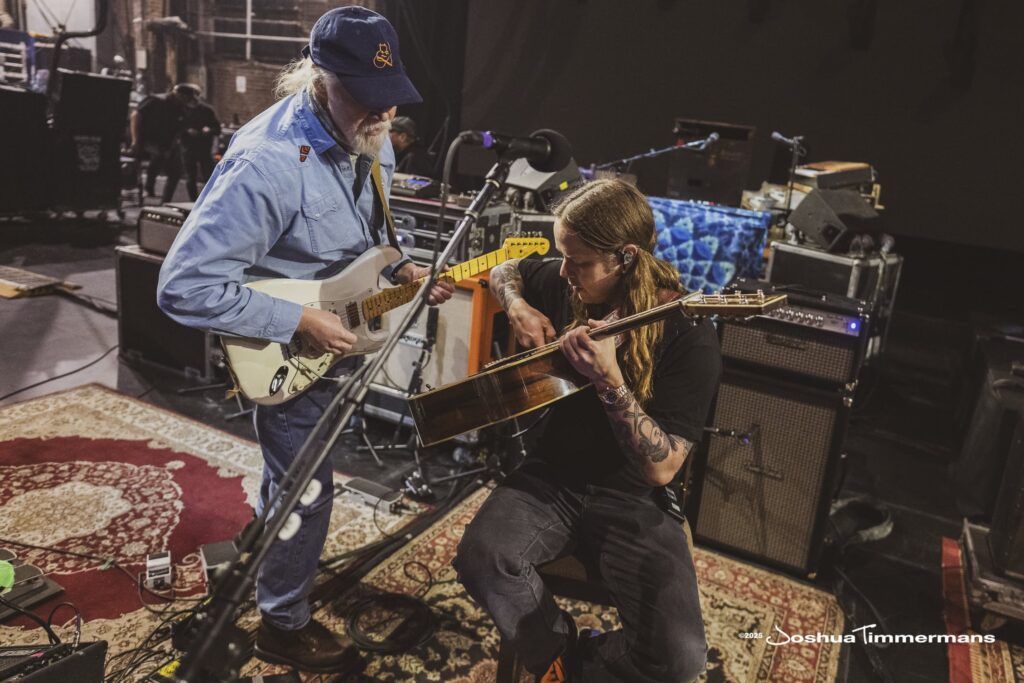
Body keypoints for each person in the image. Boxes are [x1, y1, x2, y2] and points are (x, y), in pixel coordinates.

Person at [157, 6, 453, 674]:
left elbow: (369, 227)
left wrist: (400, 265)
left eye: (389, 101)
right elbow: (181, 286)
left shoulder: (368, 135)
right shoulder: (264, 164)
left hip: (336, 341)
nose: (381, 119)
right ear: (322, 78)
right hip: (286, 353)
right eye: (367, 101)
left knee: (294, 483)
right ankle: (282, 623)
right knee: (305, 489)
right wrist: (299, 320)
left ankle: (270, 561)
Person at [453, 179, 720, 682]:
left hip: (634, 497)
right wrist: (517, 305)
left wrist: (611, 380)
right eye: (561, 255)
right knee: (481, 556)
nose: (563, 271)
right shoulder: (565, 281)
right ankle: (560, 655)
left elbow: (662, 468)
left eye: (578, 262)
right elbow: (504, 268)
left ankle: (571, 670)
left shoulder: (688, 334)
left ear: (625, 258)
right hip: (552, 478)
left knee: (681, 661)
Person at [130, 83, 196, 202]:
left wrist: (171, 147)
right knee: (156, 159)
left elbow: (178, 130)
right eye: (186, 98)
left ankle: (165, 200)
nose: (187, 102)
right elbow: (136, 115)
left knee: (176, 171)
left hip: (165, 143)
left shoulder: (181, 109)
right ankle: (148, 187)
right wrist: (136, 139)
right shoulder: (156, 100)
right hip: (147, 139)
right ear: (179, 95)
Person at [179, 88, 222, 200]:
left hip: (204, 148)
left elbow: (217, 129)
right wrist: (187, 131)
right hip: (188, 148)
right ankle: (193, 200)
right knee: (191, 177)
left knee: (209, 176)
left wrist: (209, 130)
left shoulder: (207, 111)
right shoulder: (182, 110)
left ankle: (209, 199)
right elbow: (176, 128)